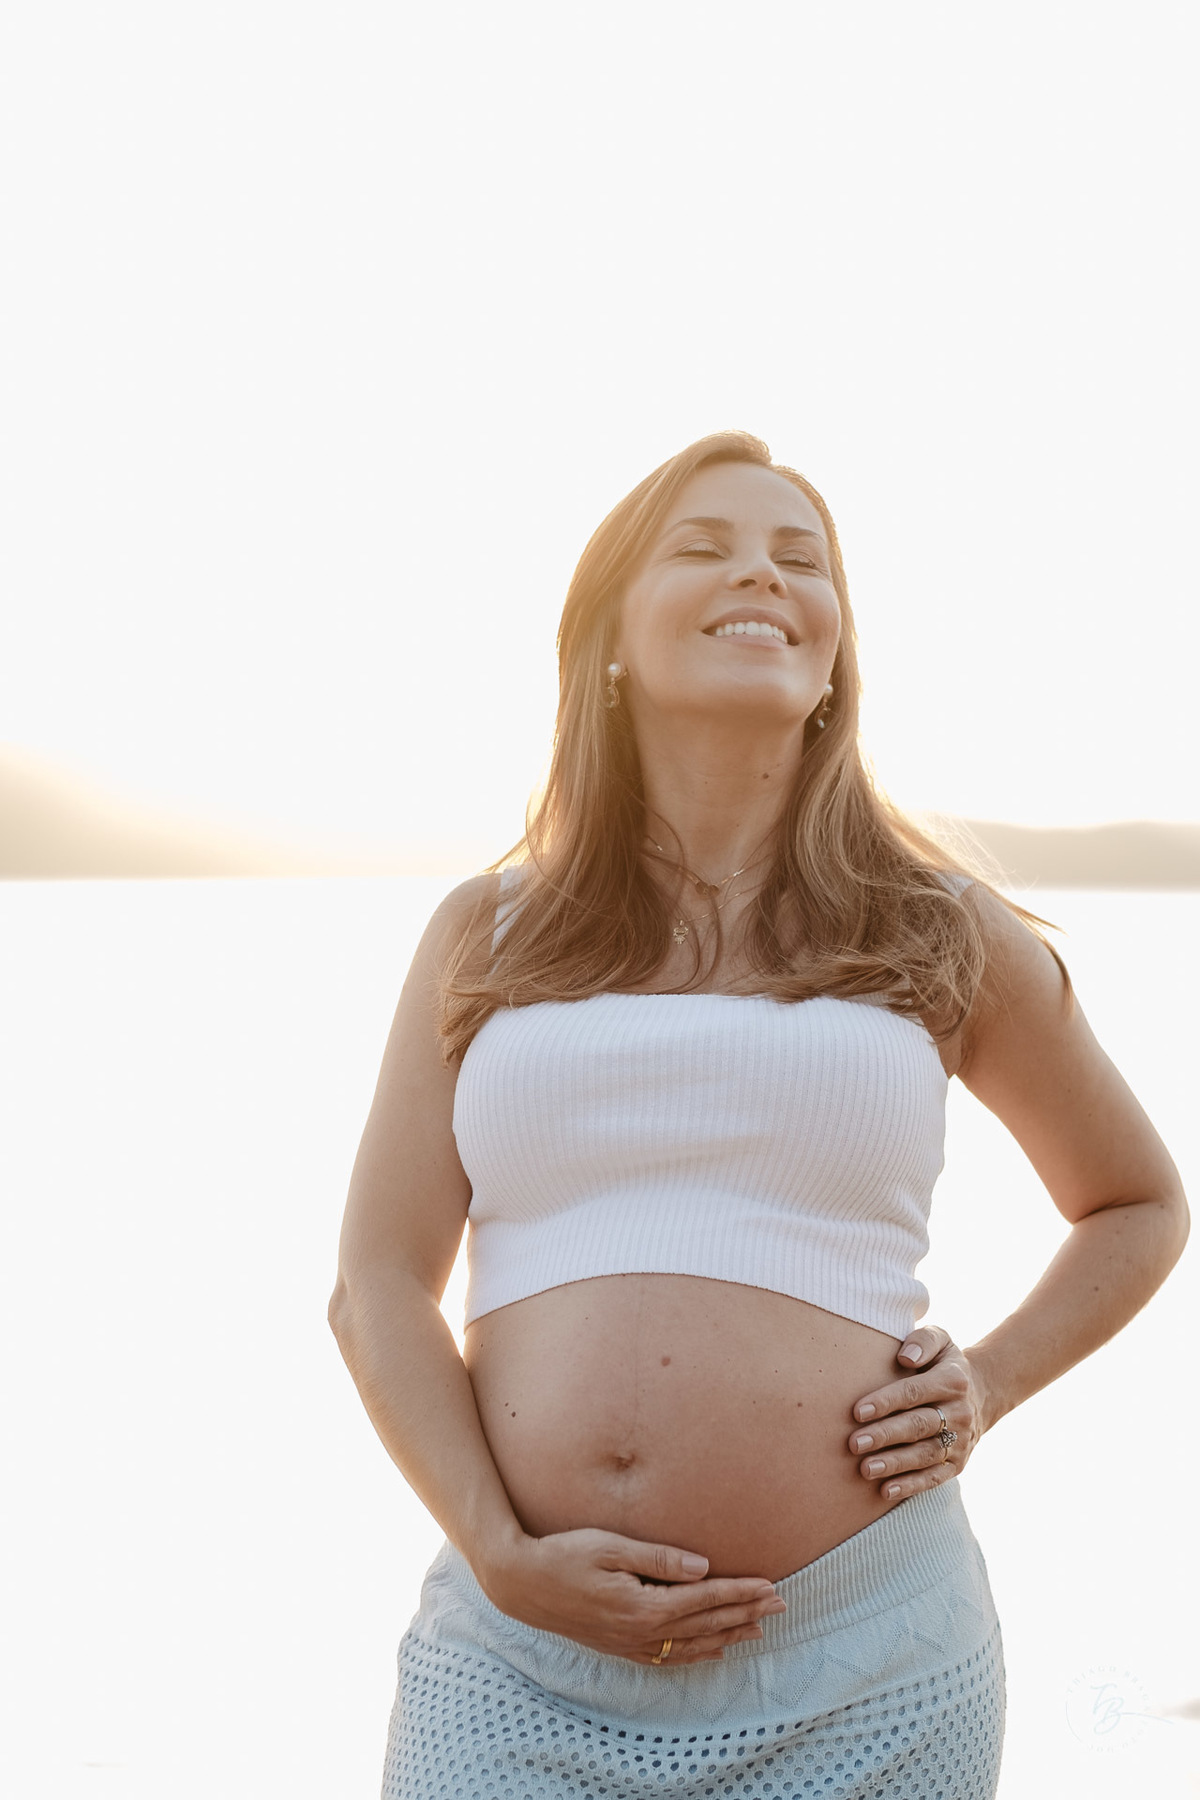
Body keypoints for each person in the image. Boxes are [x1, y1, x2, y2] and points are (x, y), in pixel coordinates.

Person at [329, 431, 1189, 1799]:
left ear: (835, 655)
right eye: (707, 545)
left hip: (871, 1659)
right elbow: (376, 1283)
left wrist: (995, 1381)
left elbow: (1139, 1204)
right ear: (607, 636)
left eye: (802, 559)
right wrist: (494, 1547)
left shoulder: (933, 925)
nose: (764, 576)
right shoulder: (487, 930)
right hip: (516, 1662)